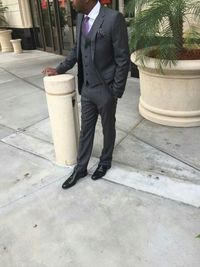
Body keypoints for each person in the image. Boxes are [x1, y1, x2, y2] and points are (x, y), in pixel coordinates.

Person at [42, 0, 130, 189]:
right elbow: (77, 50)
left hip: (106, 88)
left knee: (108, 128)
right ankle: (81, 168)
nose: (71, 2)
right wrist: (59, 69)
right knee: (85, 130)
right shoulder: (81, 17)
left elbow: (123, 59)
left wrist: (115, 91)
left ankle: (105, 162)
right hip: (88, 87)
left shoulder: (114, 19)